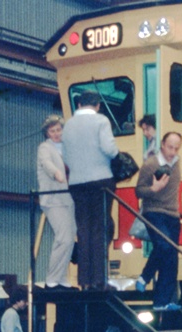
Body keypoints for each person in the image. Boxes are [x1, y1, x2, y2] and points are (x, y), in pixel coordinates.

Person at [62, 90, 119, 291]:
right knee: (100, 230)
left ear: (78, 105)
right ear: (97, 105)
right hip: (100, 181)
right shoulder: (101, 121)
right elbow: (109, 149)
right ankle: (100, 280)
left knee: (83, 231)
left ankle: (84, 281)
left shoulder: (67, 125)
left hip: (77, 183)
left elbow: (66, 157)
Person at [135, 132, 182, 311]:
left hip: (172, 214)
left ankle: (162, 302)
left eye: (176, 148)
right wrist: (154, 189)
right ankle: (146, 277)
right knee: (165, 247)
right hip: (153, 211)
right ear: (162, 144)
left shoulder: (177, 162)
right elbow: (139, 190)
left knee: (170, 256)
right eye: (170, 147)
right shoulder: (151, 164)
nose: (173, 151)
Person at [36, 115, 77, 291]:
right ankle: (52, 279)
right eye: (52, 131)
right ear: (47, 133)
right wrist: (56, 174)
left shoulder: (69, 148)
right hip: (53, 199)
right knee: (64, 238)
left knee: (68, 238)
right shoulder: (44, 148)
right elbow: (46, 164)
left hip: (69, 199)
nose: (56, 134)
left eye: (58, 130)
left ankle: (60, 278)